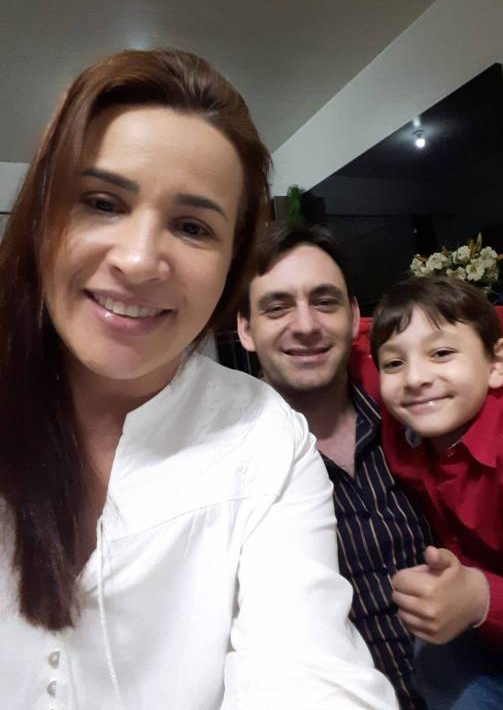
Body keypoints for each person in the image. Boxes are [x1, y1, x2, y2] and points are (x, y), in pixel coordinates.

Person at [0, 49, 400, 709]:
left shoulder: (265, 438)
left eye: (192, 227)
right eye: (101, 202)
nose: (138, 260)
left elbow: (310, 673)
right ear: (43, 216)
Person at [237, 222, 433, 710]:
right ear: (245, 329)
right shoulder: (231, 465)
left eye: (324, 302)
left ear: (353, 315)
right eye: (277, 307)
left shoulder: (418, 411)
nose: (306, 325)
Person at [370, 275, 503, 709]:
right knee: (433, 656)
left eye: (441, 353)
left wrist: (482, 598)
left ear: (497, 363)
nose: (415, 378)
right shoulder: (405, 426)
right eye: (394, 363)